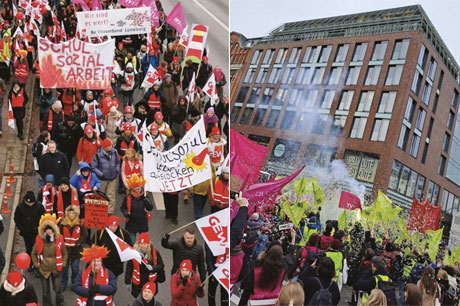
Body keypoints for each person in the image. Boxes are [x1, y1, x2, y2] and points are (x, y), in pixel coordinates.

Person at [31, 214, 68, 306]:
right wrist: (36, 265)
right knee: (45, 292)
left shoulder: (59, 239)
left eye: (50, 229)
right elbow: (33, 253)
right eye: (46, 229)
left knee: (58, 289)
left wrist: (63, 264)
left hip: (56, 269)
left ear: (53, 229)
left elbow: (64, 253)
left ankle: (60, 303)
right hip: (44, 270)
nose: (48, 231)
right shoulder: (39, 240)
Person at [125, 233, 165, 298]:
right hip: (138, 285)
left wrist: (152, 268)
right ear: (138, 244)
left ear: (148, 244)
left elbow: (161, 266)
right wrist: (127, 282)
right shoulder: (133, 253)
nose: (143, 246)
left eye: (145, 244)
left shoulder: (155, 253)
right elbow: (129, 268)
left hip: (150, 283)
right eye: (141, 244)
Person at [14, 191, 45, 272]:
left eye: (31, 203)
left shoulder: (39, 206)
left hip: (37, 232)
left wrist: (41, 229)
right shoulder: (20, 207)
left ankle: (38, 266)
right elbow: (16, 219)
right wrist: (22, 229)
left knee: (38, 249)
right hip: (27, 233)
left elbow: (44, 218)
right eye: (28, 203)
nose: (30, 204)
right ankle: (30, 263)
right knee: (29, 249)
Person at [59, 205, 88, 290]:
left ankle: (74, 283)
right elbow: (59, 234)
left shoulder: (80, 223)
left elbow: (85, 234)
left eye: (73, 213)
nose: (71, 215)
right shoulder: (63, 223)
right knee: (65, 269)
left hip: (76, 250)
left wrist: (79, 242)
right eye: (70, 213)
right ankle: (63, 283)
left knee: (75, 268)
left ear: (76, 214)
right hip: (65, 251)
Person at [121, 174, 154, 243]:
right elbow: (123, 208)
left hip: (143, 223)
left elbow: (150, 207)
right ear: (132, 190)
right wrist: (126, 214)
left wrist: (145, 200)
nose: (139, 190)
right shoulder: (128, 198)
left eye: (139, 188)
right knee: (131, 243)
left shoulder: (144, 197)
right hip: (132, 224)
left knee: (143, 244)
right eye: (136, 189)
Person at [92, 138, 120, 213]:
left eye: (111, 145)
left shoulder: (115, 152)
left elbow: (118, 162)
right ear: (104, 147)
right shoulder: (97, 155)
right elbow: (94, 167)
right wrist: (101, 174)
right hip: (102, 179)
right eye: (109, 146)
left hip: (113, 177)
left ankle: (110, 211)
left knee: (111, 194)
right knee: (101, 194)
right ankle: (100, 211)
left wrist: (117, 170)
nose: (111, 147)